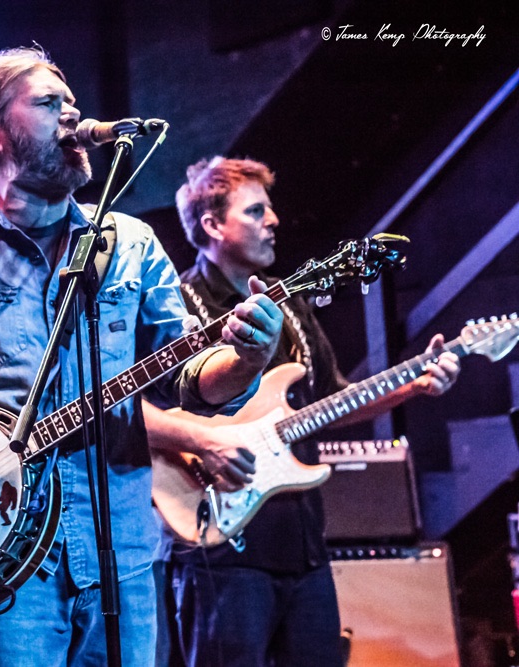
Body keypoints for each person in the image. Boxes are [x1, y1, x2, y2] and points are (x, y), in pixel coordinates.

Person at [0, 50, 285, 667]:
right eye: (47, 103)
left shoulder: (130, 244)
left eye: (72, 102)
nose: (72, 116)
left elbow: (186, 378)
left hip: (120, 557)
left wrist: (247, 359)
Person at [143, 156, 461, 667]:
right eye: (255, 211)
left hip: (304, 546)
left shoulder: (290, 304)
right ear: (211, 225)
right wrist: (204, 444)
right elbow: (134, 415)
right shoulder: (175, 307)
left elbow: (328, 400)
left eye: (269, 210)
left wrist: (413, 384)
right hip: (220, 547)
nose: (273, 221)